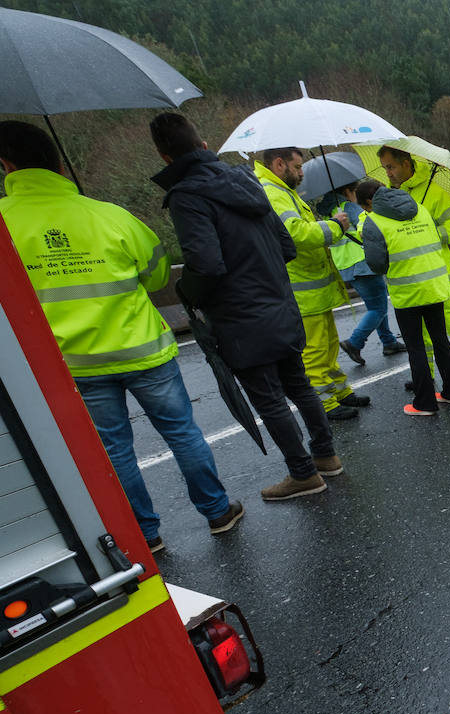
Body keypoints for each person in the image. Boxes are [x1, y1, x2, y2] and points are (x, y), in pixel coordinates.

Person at [0, 120, 242, 551]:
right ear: (60, 166)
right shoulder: (109, 215)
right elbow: (158, 272)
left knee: (114, 450)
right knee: (182, 432)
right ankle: (217, 511)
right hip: (143, 349)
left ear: (5, 165)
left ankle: (144, 534)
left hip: (72, 362)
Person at [149, 112, 341, 502]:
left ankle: (302, 474)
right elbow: (286, 247)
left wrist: (188, 291)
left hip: (240, 317)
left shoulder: (187, 197)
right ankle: (326, 457)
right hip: (281, 304)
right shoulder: (248, 183)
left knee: (269, 400)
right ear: (204, 147)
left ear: (165, 158)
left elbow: (207, 264)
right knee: (300, 386)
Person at [253, 147, 368, 420]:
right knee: (315, 348)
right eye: (298, 166)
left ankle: (340, 392)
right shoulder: (274, 192)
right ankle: (326, 405)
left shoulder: (284, 191)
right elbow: (295, 233)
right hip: (303, 287)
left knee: (328, 342)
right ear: (280, 164)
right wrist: (334, 226)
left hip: (314, 284)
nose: (302, 172)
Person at [377, 145, 450, 393]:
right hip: (408, 276)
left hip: (438, 275)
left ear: (406, 163)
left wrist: (428, 234)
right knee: (419, 335)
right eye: (385, 168)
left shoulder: (435, 193)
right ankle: (423, 378)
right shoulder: (392, 196)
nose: (388, 173)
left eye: (391, 167)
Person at [357, 179, 450, 414]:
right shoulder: (420, 208)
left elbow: (376, 265)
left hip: (407, 292)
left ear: (368, 203)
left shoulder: (374, 221)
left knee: (416, 347)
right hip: (435, 286)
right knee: (441, 340)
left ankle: (424, 403)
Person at [320, 182, 406, 365]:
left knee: (376, 304)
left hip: (346, 265)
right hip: (363, 263)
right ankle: (354, 343)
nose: (355, 196)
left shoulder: (329, 212)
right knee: (379, 307)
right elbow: (369, 227)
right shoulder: (348, 207)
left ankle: (389, 342)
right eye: (354, 192)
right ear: (346, 191)